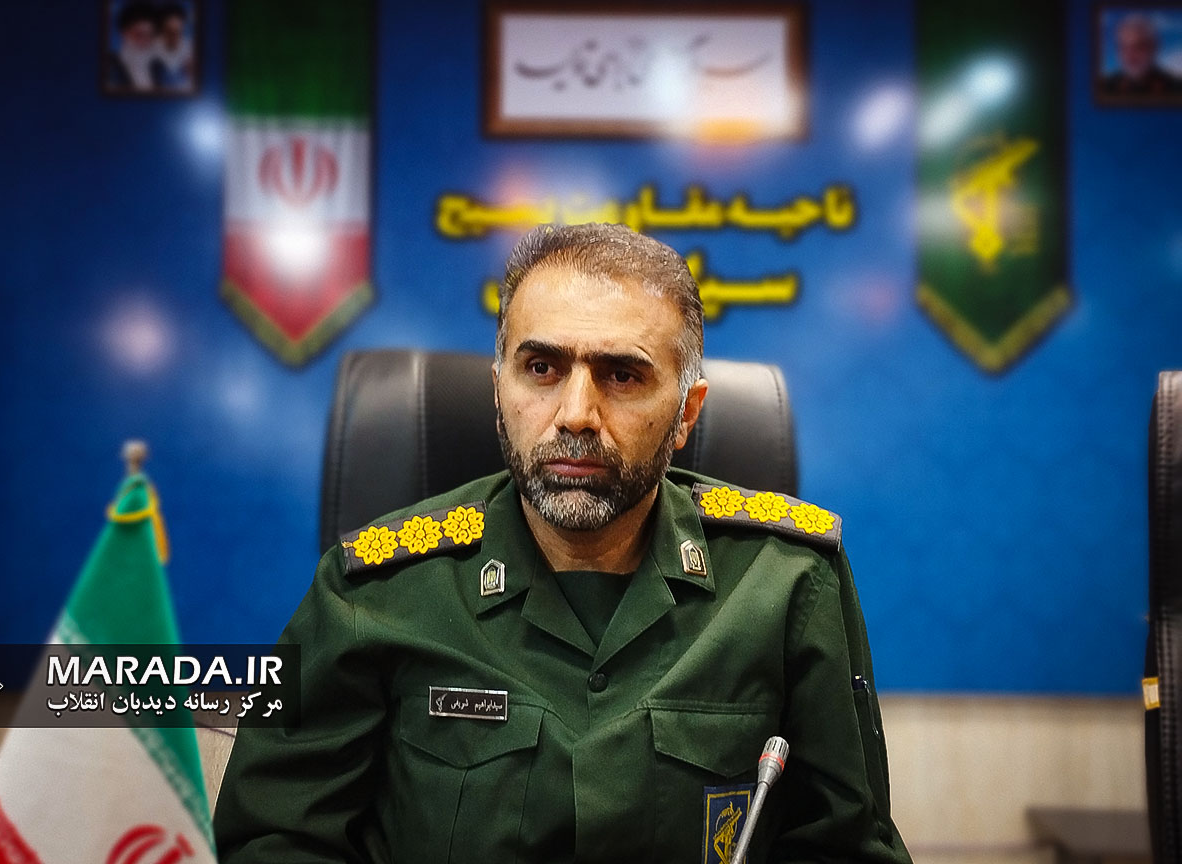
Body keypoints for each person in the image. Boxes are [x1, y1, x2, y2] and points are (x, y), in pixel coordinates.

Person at [213, 223, 911, 863]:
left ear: (685, 414)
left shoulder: (790, 583)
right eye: (542, 369)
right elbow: (275, 839)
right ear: (500, 391)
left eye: (622, 375)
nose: (576, 415)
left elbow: (848, 848)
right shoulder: (370, 590)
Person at [1101, 13, 1182, 96]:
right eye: (1123, 47)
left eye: (1138, 47)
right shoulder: (1105, 87)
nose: (1129, 55)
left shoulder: (1176, 88)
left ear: (1153, 48)